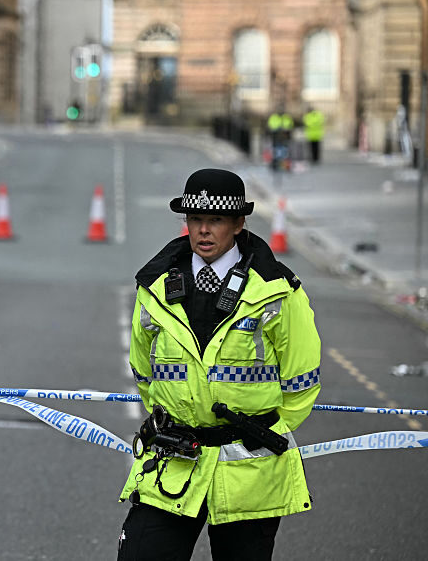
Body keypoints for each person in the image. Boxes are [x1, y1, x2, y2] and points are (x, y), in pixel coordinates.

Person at [117, 168, 322, 561]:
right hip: (174, 460)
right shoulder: (155, 286)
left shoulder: (276, 291)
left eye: (215, 220)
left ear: (239, 224)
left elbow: (302, 380)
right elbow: (144, 372)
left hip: (248, 469)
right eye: (196, 220)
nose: (204, 231)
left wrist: (256, 432)